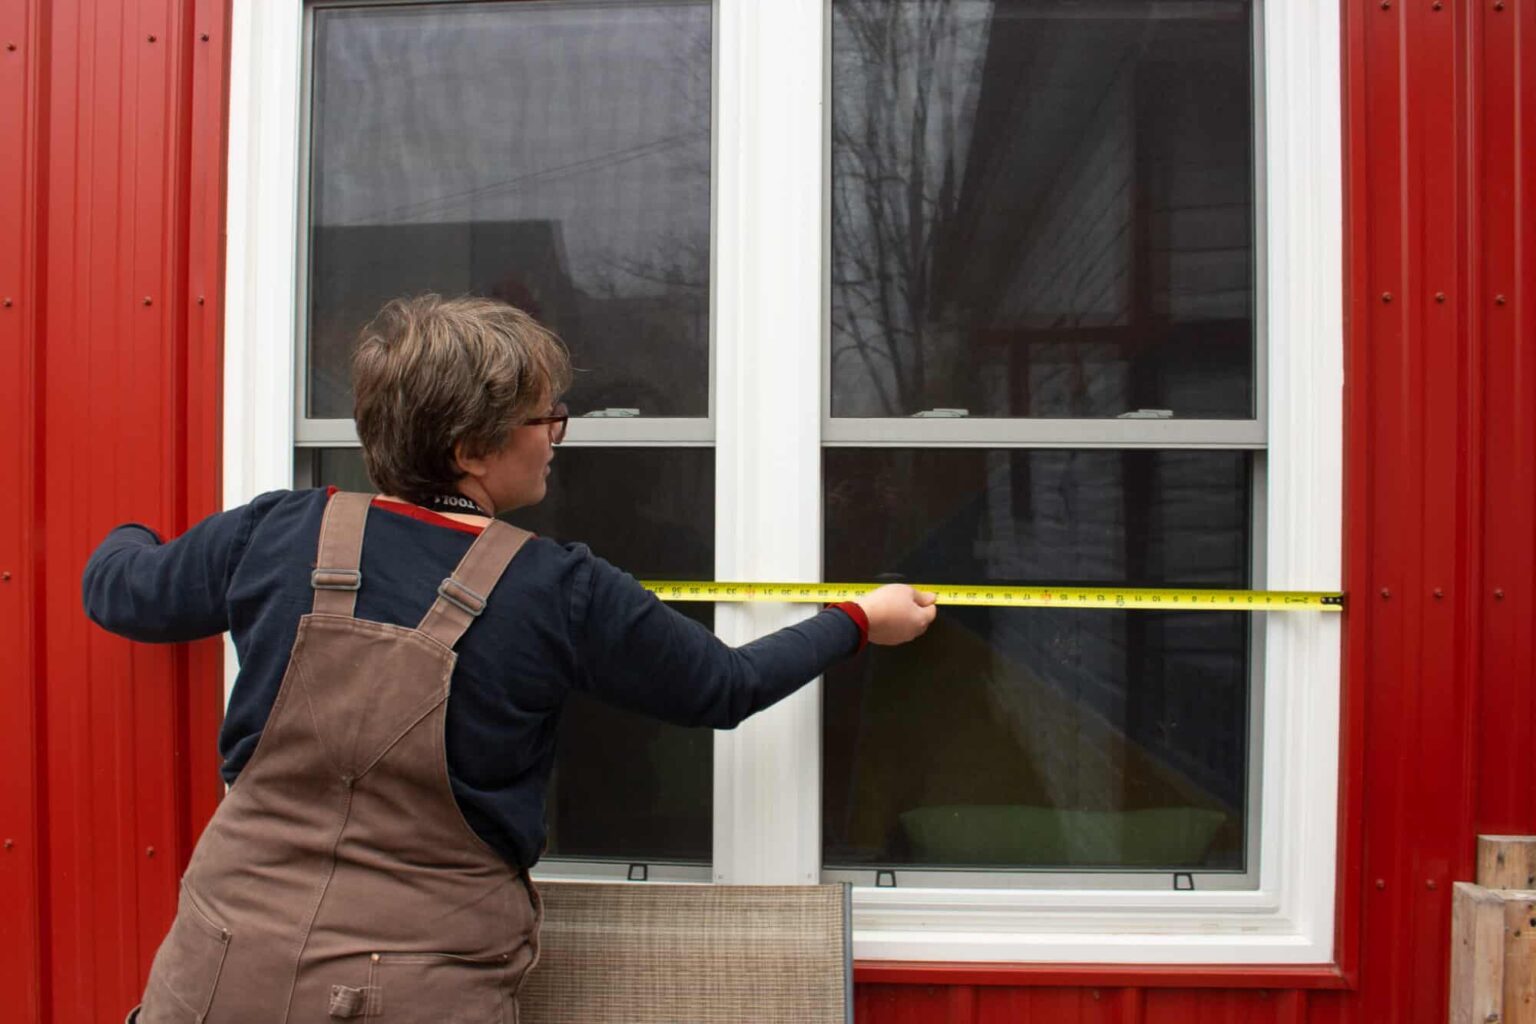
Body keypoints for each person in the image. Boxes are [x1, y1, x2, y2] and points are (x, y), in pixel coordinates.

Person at [82, 293, 937, 1023]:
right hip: (423, 991)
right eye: (545, 417)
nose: (558, 436)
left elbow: (120, 592)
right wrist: (860, 619)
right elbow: (725, 685)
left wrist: (128, 535)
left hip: (216, 971)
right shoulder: (557, 589)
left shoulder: (274, 531)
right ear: (470, 451)